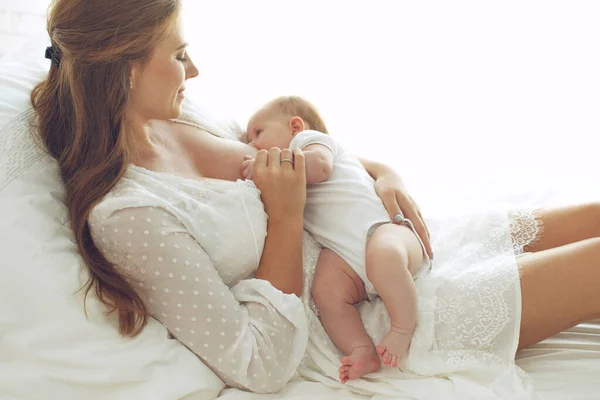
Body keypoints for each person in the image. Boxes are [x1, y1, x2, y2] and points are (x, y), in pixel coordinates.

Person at [30, 0, 600, 396]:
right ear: (128, 68)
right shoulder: (130, 216)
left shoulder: (181, 116)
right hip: (366, 317)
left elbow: (304, 154)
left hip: (379, 239)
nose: (195, 70)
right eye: (179, 55)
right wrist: (286, 218)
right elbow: (259, 363)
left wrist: (384, 173)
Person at [241, 96, 432, 382]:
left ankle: (403, 327)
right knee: (326, 293)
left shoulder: (310, 142)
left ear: (295, 126)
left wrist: (262, 166)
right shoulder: (287, 161)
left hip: (384, 229)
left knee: (384, 255)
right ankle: (361, 349)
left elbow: (320, 168)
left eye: (258, 132)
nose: (253, 143)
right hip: (345, 255)